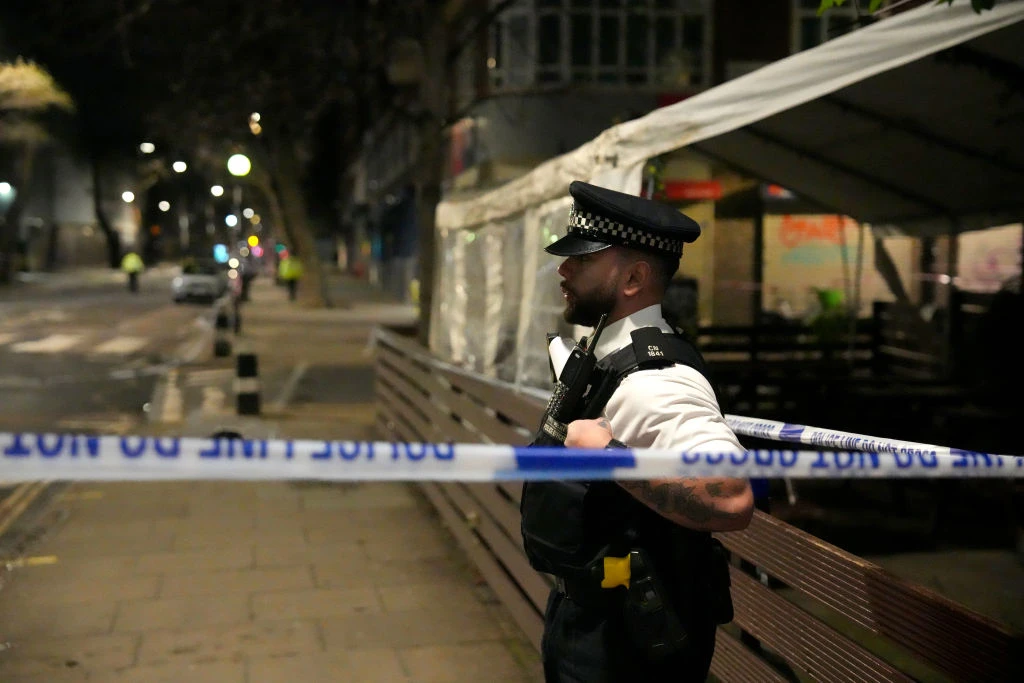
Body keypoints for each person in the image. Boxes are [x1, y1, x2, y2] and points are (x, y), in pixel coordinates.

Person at [521, 180, 754, 682]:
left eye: (582, 259)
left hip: (630, 644)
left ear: (634, 278)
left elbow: (731, 497)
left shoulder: (658, 381)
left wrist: (609, 457)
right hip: (597, 621)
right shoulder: (616, 354)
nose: (564, 269)